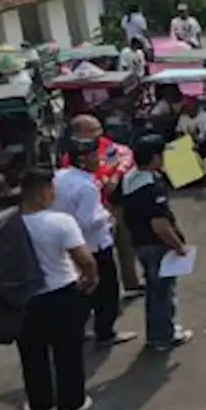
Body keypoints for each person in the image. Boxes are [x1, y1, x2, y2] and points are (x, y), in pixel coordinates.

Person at [4, 169, 99, 410]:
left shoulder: (4, 225)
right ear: (43, 192)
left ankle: (40, 405)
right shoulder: (60, 222)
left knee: (32, 354)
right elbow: (84, 259)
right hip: (61, 293)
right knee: (67, 351)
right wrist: (90, 279)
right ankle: (70, 407)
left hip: (23, 298)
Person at [52, 138, 137, 348]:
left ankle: (78, 330)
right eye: (93, 156)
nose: (98, 159)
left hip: (69, 245)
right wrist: (107, 218)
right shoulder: (87, 186)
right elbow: (87, 221)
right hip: (95, 245)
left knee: (81, 291)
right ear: (82, 160)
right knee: (107, 292)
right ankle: (105, 333)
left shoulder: (59, 177)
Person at [118, 136, 192, 352]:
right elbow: (159, 224)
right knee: (163, 292)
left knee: (153, 290)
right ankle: (164, 337)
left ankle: (155, 334)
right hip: (156, 245)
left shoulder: (129, 178)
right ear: (154, 158)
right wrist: (179, 246)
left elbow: (117, 206)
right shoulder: (152, 185)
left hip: (139, 242)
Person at [61, 115, 142, 297]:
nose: (99, 134)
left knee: (125, 244)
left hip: (114, 203)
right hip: (91, 210)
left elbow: (126, 155)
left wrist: (115, 176)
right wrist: (101, 182)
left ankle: (131, 283)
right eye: (93, 131)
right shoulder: (71, 157)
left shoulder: (105, 145)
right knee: (96, 253)